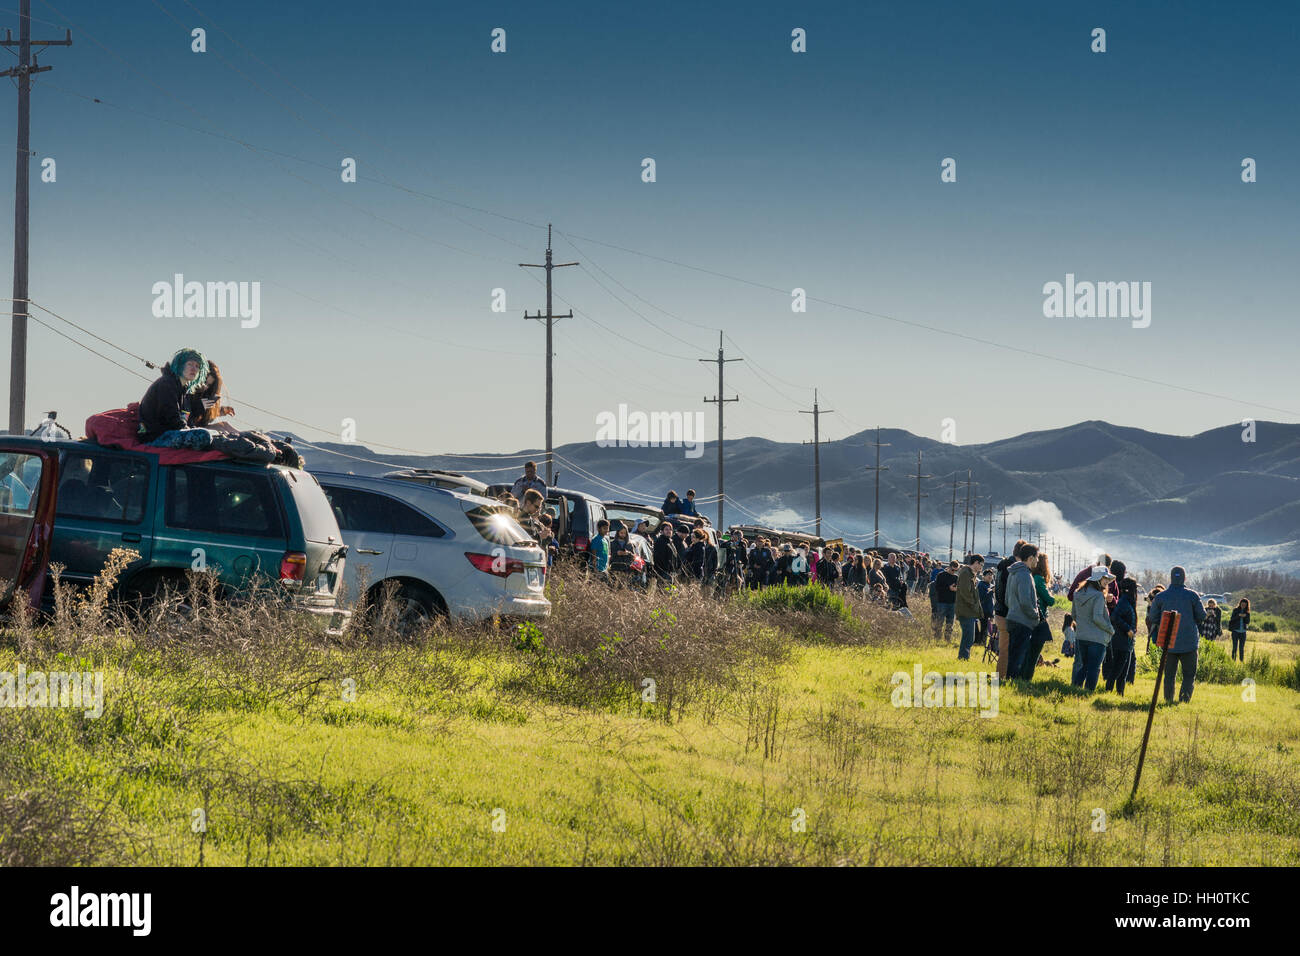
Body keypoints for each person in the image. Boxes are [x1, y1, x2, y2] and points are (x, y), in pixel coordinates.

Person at [1145, 566, 1207, 704]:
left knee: (1169, 675)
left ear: (1170, 578)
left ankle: (1168, 700)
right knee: (1189, 675)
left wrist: (1163, 621)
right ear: (1185, 578)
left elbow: (1152, 617)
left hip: (1168, 642)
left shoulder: (1161, 597)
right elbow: (1202, 616)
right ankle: (1184, 701)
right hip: (1189, 642)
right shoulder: (1192, 595)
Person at [138, 348, 215, 447]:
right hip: (154, 437)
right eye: (190, 364)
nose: (194, 369)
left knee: (214, 434)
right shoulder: (166, 384)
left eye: (197, 366)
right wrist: (189, 431)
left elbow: (186, 419)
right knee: (203, 435)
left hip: (172, 433)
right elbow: (172, 418)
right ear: (180, 365)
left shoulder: (184, 391)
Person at [1071, 566, 1115, 691]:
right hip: (1097, 639)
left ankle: (1075, 690)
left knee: (1084, 666)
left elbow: (1074, 615)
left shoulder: (1077, 593)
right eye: (1104, 578)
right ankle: (1088, 693)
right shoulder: (1098, 596)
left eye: (1107, 578)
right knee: (1094, 668)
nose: (1106, 581)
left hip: (1081, 636)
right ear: (1097, 579)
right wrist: (1111, 629)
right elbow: (1097, 618)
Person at [1004, 543, 1040, 679]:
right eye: (1037, 557)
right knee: (1018, 657)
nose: (1037, 560)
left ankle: (1009, 682)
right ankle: (1013, 683)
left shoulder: (1013, 573)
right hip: (1023, 621)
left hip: (1012, 617)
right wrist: (1035, 615)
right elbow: (1025, 601)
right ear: (1030, 558)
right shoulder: (1025, 575)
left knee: (1013, 656)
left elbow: (1007, 599)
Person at [993, 543, 1025, 680]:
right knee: (1006, 650)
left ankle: (1002, 676)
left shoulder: (1002, 566)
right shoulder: (1013, 569)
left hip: (1000, 611)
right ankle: (1001, 678)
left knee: (1004, 649)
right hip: (1007, 613)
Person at [1020, 552, 1054, 681]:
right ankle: (1027, 679)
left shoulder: (1029, 576)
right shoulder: (1039, 579)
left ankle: (1021, 677)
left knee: (1027, 651)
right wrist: (1050, 596)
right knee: (1033, 654)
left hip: (1027, 618)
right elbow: (1050, 600)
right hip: (1039, 619)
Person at [1105, 578, 1138, 695]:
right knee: (1117, 671)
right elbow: (1114, 617)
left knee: (1123, 673)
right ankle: (1108, 692)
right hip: (1121, 641)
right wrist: (1128, 629)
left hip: (1125, 642)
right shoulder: (1124, 602)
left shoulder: (1125, 601)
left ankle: (1120, 694)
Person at [955, 554, 984, 660]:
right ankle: (963, 658)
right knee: (968, 636)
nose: (981, 567)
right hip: (966, 610)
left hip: (969, 610)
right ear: (976, 563)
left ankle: (964, 657)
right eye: (981, 565)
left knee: (970, 637)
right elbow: (965, 592)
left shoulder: (971, 574)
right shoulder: (966, 574)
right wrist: (973, 605)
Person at [931, 560, 959, 643]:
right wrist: (948, 588)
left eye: (956, 570)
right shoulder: (941, 575)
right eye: (953, 570)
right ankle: (937, 639)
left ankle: (947, 639)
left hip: (953, 602)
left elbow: (959, 589)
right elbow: (937, 588)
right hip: (942, 602)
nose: (954, 572)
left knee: (950, 623)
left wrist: (956, 589)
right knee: (940, 621)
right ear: (949, 567)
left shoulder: (956, 577)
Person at [977, 567, 995, 647]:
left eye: (991, 575)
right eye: (988, 575)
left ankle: (983, 643)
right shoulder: (981, 585)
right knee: (983, 628)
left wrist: (992, 614)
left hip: (989, 611)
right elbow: (983, 598)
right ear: (983, 576)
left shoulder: (991, 585)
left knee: (987, 629)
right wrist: (991, 592)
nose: (990, 576)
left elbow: (992, 601)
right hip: (982, 610)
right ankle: (980, 643)